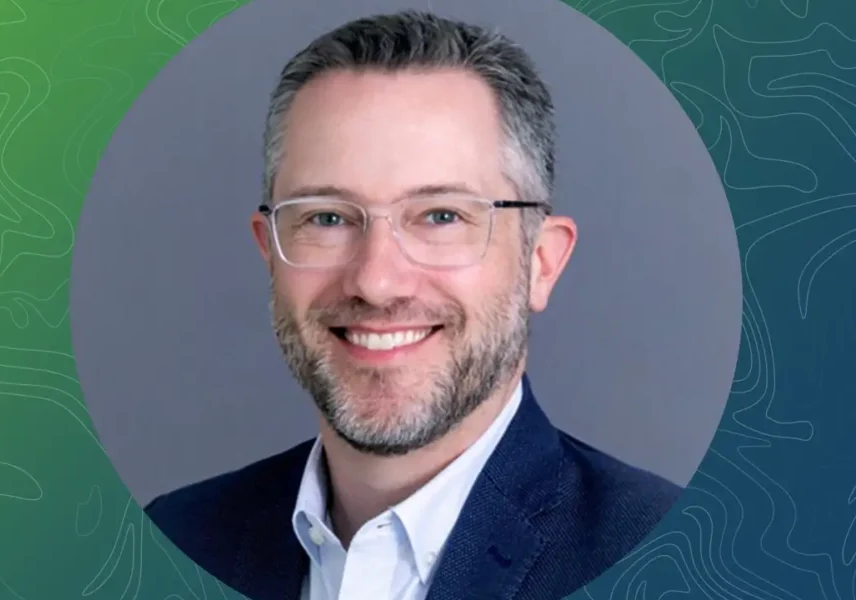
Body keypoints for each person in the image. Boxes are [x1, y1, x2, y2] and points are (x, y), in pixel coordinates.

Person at [145, 10, 682, 600]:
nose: (376, 282)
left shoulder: (662, 558)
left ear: (541, 262)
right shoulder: (174, 540)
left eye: (441, 216)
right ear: (270, 251)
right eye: (327, 218)